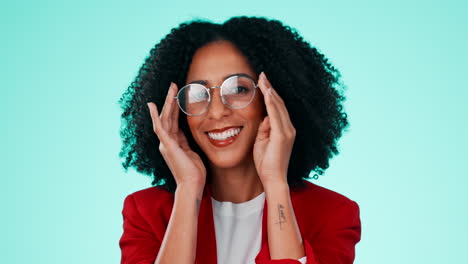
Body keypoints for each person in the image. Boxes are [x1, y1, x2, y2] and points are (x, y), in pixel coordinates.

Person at [118, 16, 361, 264]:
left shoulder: (333, 214)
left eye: (237, 89)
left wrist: (276, 183)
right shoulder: (145, 212)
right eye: (197, 93)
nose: (216, 111)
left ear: (275, 99)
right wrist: (188, 187)